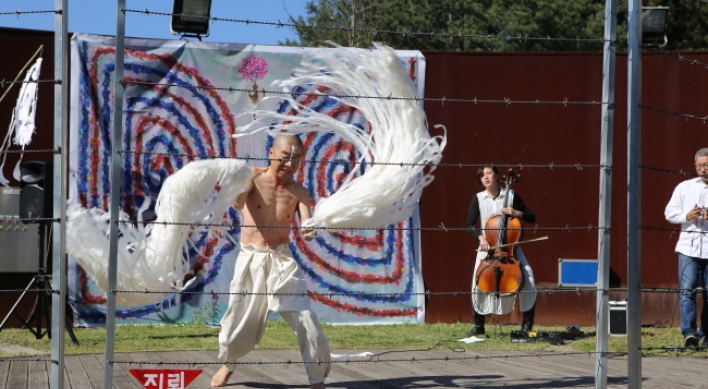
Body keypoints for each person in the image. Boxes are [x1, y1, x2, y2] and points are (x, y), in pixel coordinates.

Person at [211, 135, 330, 388]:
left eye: (296, 158)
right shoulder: (252, 177)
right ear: (271, 152)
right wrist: (242, 182)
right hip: (251, 258)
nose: (290, 163)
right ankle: (229, 365)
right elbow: (237, 203)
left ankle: (317, 381)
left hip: (283, 260)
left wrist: (315, 226)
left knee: (306, 320)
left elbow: (307, 231)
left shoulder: (299, 192)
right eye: (285, 156)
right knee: (237, 324)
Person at [465, 166, 537, 336]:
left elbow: (531, 217)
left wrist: (514, 212)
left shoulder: (510, 195)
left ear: (497, 176)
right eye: (482, 175)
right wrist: (481, 237)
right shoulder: (478, 198)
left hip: (510, 250)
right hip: (487, 250)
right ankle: (479, 326)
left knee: (530, 281)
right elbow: (469, 225)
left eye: (489, 173)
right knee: (477, 286)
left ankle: (527, 326)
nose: (486, 177)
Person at [664, 147, 708, 348]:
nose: (703, 169)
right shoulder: (684, 187)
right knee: (686, 291)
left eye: (706, 165)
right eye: (699, 166)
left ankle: (706, 334)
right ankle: (689, 333)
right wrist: (686, 217)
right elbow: (669, 213)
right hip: (688, 249)